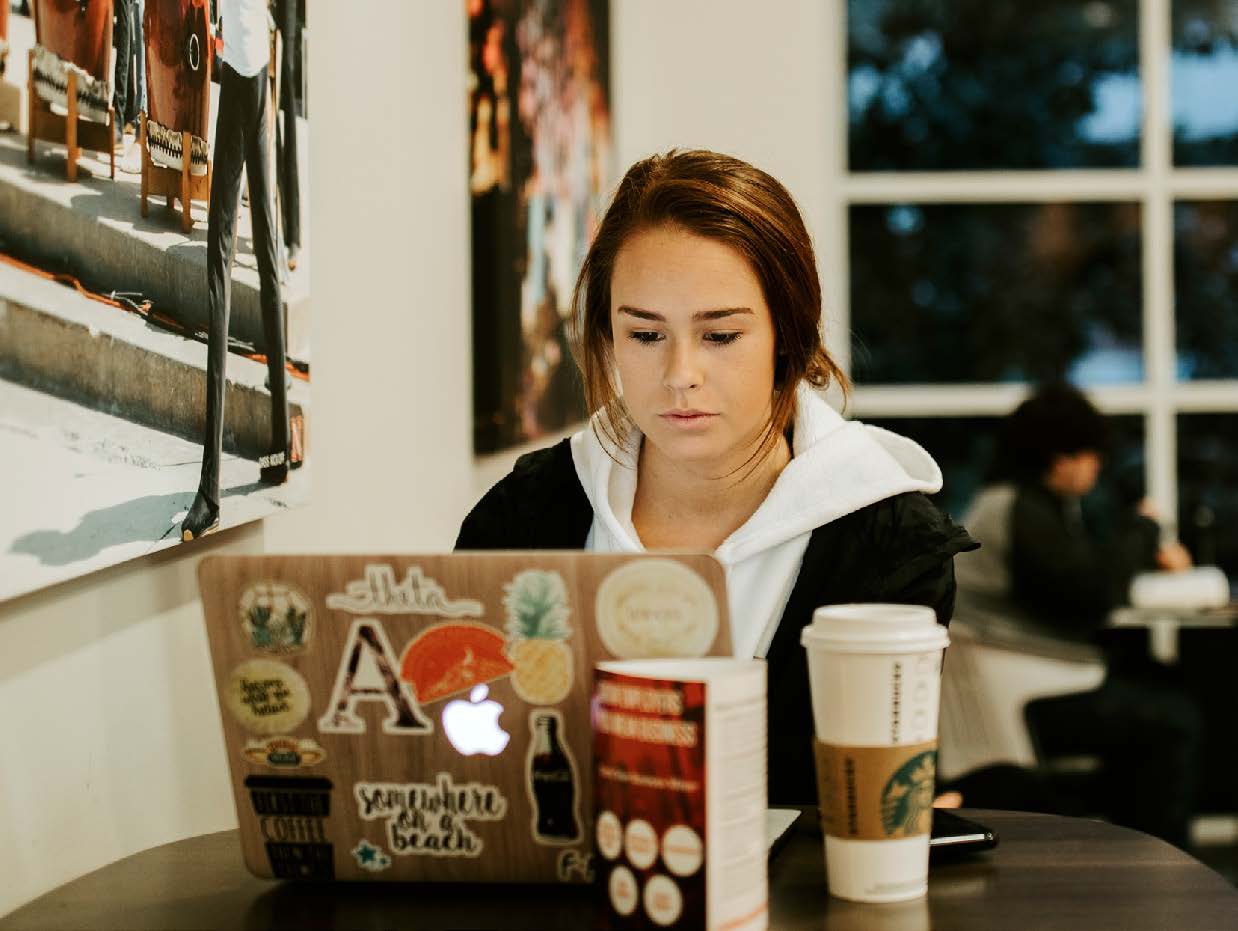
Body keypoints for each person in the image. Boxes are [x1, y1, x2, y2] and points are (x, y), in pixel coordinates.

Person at [456, 149, 978, 804]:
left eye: (721, 335)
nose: (680, 374)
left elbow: (863, 803)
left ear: (788, 334)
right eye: (646, 335)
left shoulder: (888, 543)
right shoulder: (524, 514)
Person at [955, 383, 1202, 846]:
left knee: (1159, 687)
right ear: (1059, 457)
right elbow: (1092, 591)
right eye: (1089, 453)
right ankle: (1161, 861)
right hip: (1016, 688)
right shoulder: (1019, 508)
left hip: (1019, 673)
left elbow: (1073, 583)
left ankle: (1134, 850)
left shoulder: (1017, 504)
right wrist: (1144, 529)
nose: (1096, 465)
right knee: (1172, 720)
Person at [181, 0, 290, 541]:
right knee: (267, 252)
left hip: (245, 68)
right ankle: (278, 445)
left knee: (219, 265)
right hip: (257, 65)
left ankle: (211, 488)